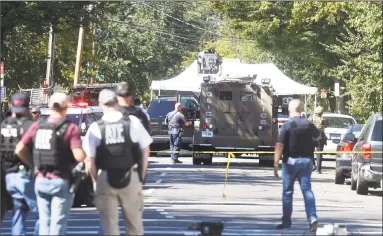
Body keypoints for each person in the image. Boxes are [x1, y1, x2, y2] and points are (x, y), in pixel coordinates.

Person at [83, 89, 152, 235]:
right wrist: (141, 176)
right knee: (134, 226)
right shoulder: (132, 122)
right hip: (130, 176)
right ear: (117, 103)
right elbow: (146, 149)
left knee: (109, 227)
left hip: (106, 178)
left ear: (100, 105)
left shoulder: (96, 128)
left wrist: (96, 182)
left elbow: (90, 160)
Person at [15, 92, 86, 235]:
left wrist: (33, 166)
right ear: (66, 107)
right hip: (60, 180)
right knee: (57, 223)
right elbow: (79, 156)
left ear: (49, 106)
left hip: (40, 180)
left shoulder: (37, 126)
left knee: (44, 222)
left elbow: (19, 149)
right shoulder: (70, 128)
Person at [273, 99, 319, 232]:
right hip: (306, 161)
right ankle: (313, 219)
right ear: (302, 109)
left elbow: (279, 145)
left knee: (287, 193)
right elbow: (319, 138)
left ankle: (286, 223)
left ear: (289, 110)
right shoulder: (309, 125)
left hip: (290, 162)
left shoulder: (287, 125)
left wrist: (276, 164)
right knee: (307, 190)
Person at [0, 93, 39, 235]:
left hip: (8, 175)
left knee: (19, 211)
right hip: (25, 174)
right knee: (43, 212)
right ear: (27, 107)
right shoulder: (29, 125)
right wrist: (33, 167)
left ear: (11, 106)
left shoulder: (4, 124)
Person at [312, 106, 327, 173]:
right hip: (321, 137)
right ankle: (318, 169)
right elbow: (325, 126)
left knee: (310, 152)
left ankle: (313, 165)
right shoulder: (323, 119)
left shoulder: (313, 119)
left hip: (313, 136)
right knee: (319, 154)